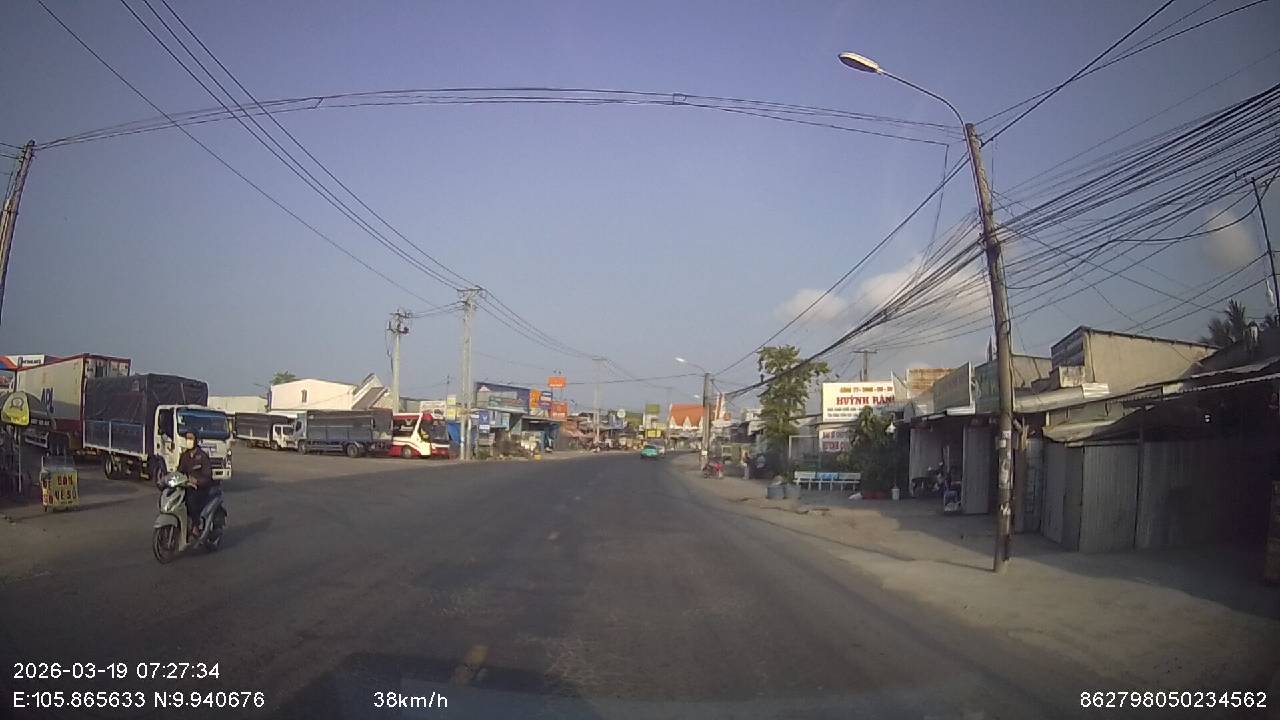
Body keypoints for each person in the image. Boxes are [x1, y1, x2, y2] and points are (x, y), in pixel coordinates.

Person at [177, 431, 214, 538]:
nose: (188, 441)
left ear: (196, 440)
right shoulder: (184, 456)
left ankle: (196, 526)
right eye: (187, 438)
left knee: (191, 500)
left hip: (201, 489)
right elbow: (179, 471)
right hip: (187, 486)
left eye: (191, 438)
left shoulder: (202, 456)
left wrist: (197, 481)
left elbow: (208, 476)